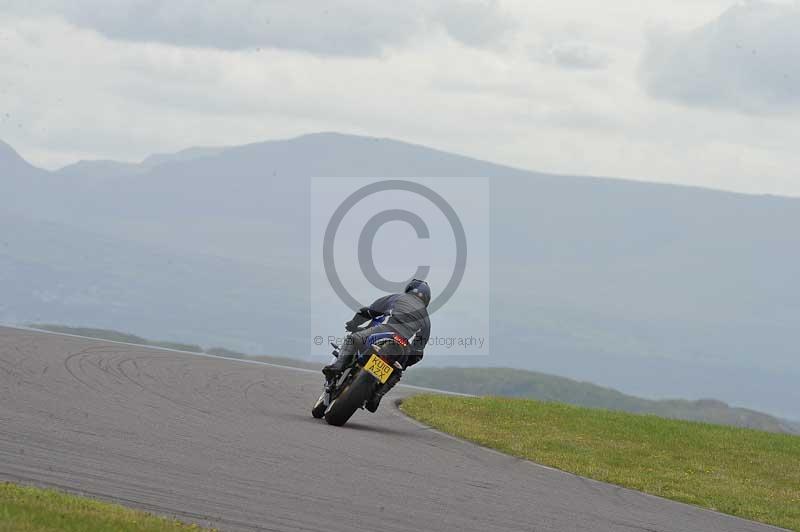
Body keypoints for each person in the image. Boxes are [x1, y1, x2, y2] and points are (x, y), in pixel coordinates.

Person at [323, 279, 431, 412]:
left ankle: (336, 367)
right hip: (403, 345)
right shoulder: (426, 319)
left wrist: (353, 323)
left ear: (409, 289)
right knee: (397, 372)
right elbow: (418, 351)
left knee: (353, 339)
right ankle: (376, 396)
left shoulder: (397, 298)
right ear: (427, 300)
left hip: (386, 331)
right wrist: (405, 363)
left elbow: (368, 312)